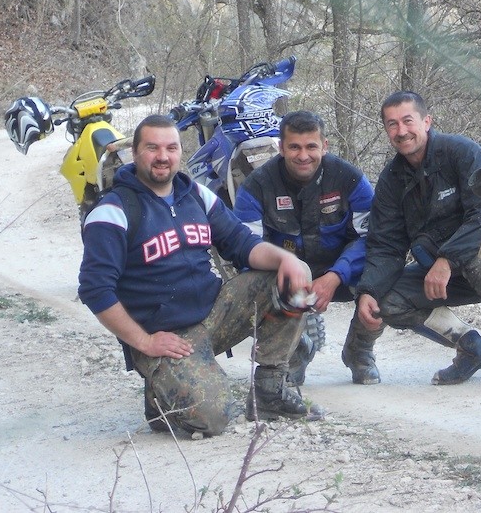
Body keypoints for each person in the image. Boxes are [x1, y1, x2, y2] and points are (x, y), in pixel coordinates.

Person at [77, 114, 324, 437]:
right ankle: (161, 398)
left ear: (181, 152)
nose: (163, 156)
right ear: (135, 153)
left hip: (214, 314)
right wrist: (144, 341)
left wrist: (287, 260)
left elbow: (242, 244)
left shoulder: (195, 194)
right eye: (152, 148)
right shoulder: (112, 211)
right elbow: (95, 289)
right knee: (214, 418)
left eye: (171, 148)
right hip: (165, 335)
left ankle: (270, 391)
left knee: (289, 275)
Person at [355, 91, 481, 391]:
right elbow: (385, 245)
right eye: (392, 124)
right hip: (453, 274)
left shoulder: (461, 152)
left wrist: (447, 259)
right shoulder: (392, 180)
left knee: (480, 261)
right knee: (388, 300)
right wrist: (369, 290)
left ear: (426, 121)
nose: (401, 131)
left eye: (408, 121)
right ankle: (473, 347)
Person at [233, 110, 382, 386]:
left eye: (311, 146)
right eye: (294, 147)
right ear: (281, 148)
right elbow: (245, 247)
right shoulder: (256, 186)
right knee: (251, 286)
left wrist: (336, 275)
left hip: (343, 272)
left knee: (386, 276)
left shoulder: (349, 178)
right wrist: (288, 275)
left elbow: (374, 238)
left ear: (324, 146)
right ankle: (294, 354)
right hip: (285, 276)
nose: (303, 156)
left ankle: (359, 351)